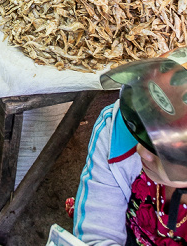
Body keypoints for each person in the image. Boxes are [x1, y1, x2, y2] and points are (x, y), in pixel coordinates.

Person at [74, 50, 187, 245]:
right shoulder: (119, 129)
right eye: (149, 114)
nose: (141, 151)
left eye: (170, 151)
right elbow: (96, 235)